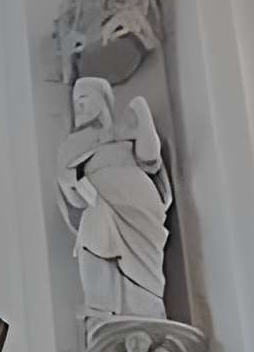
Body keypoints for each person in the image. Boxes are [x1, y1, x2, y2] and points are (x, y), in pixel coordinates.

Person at [55, 76, 171, 329]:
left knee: (144, 263)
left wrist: (141, 113)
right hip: (100, 204)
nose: (80, 107)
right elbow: (68, 188)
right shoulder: (72, 144)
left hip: (137, 201)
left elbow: (150, 159)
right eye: (76, 103)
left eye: (85, 99)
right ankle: (100, 312)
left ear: (102, 101)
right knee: (91, 239)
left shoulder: (123, 129)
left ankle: (147, 314)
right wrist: (79, 188)